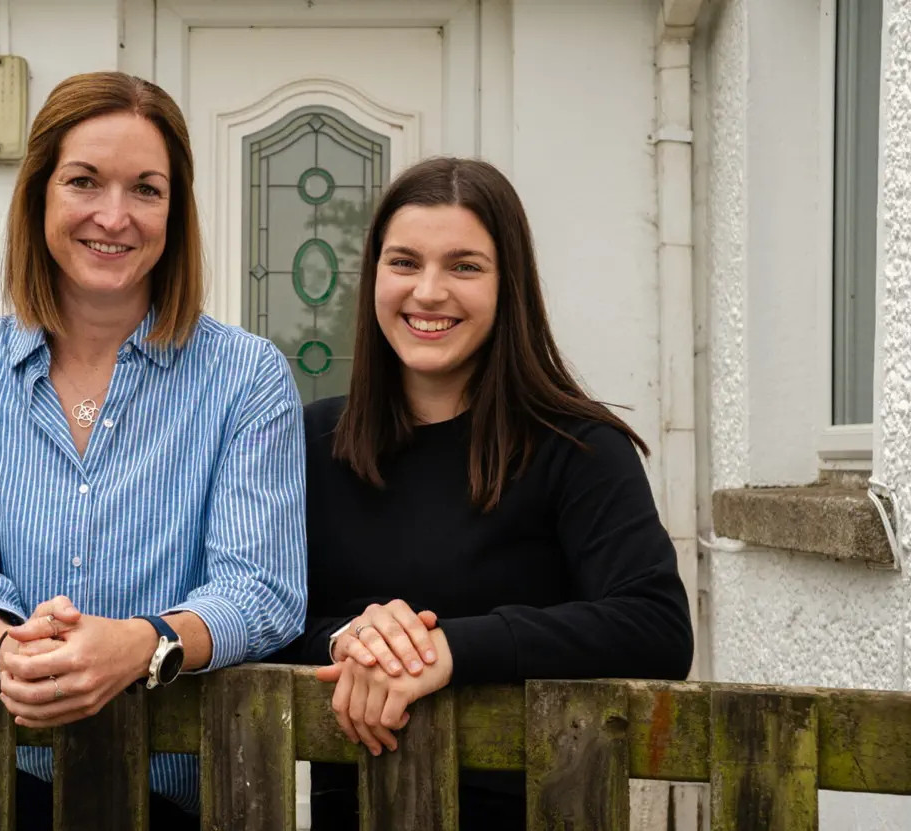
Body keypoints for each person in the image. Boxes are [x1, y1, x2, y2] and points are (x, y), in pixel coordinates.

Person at [0, 71, 307, 830]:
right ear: (38, 194)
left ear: (175, 211)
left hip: (183, 796)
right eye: (84, 181)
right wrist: (7, 651)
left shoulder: (247, 378)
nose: (113, 217)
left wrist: (141, 644)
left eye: (146, 189)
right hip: (1, 784)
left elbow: (261, 589)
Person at [281, 157, 694, 828]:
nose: (429, 291)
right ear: (374, 276)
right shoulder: (309, 440)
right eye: (404, 262)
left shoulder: (579, 446)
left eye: (465, 266)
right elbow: (261, 616)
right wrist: (350, 638)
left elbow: (656, 627)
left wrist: (449, 650)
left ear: (509, 285)